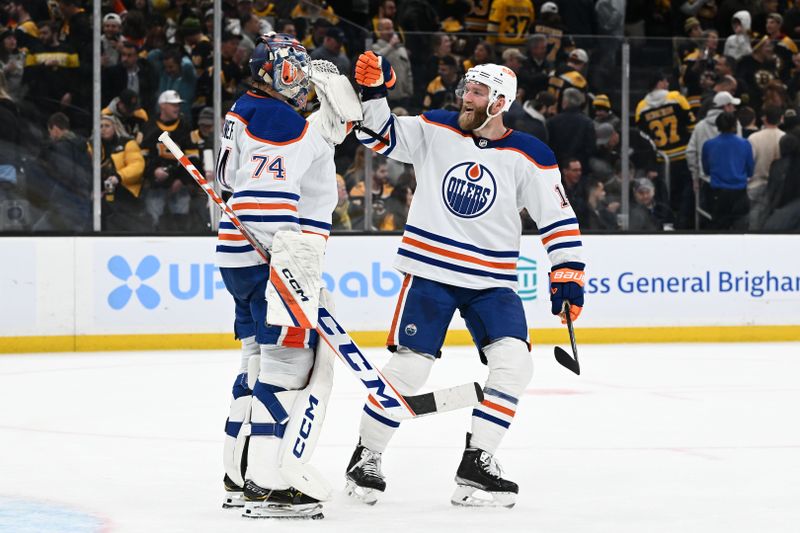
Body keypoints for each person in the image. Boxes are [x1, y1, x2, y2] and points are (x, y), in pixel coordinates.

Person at [344, 52, 586, 508]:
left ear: (499, 103)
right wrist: (376, 92)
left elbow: (558, 219)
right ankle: (366, 456)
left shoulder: (531, 154)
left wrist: (568, 275)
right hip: (431, 272)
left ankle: (478, 463)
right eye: (466, 90)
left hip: (492, 281)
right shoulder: (437, 127)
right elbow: (378, 135)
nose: (465, 98)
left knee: (515, 365)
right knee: (409, 369)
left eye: (476, 93)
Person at [215, 33, 338, 519]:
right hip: (276, 257)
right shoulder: (282, 119)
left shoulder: (239, 110)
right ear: (277, 72)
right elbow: (297, 168)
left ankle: (237, 476)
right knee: (287, 368)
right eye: (296, 70)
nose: (303, 79)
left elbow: (228, 182)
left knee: (255, 361)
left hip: (235, 252)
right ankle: (271, 485)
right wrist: (335, 122)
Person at [635, 72, 696, 228]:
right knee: (686, 195)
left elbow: (643, 137)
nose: (668, 85)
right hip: (683, 156)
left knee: (665, 194)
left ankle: (667, 223)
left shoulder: (641, 107)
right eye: (666, 81)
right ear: (660, 82)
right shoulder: (676, 98)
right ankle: (683, 225)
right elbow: (691, 126)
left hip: (661, 160)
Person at [702, 111, 753, 230]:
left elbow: (706, 169)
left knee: (718, 230)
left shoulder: (709, 145)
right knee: (741, 230)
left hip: (718, 194)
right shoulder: (745, 144)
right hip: (739, 193)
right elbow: (750, 169)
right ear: (735, 125)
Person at [97, 115, 146, 232]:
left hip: (127, 194)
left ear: (115, 127)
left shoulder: (128, 143)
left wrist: (119, 177)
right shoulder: (95, 147)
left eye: (107, 126)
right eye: (100, 126)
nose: (103, 129)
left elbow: (137, 166)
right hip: (106, 196)